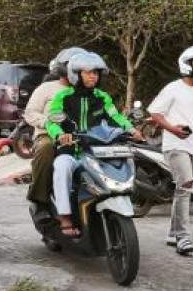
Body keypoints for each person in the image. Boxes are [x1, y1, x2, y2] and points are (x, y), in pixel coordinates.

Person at [46, 51, 142, 237]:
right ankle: (65, 216)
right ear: (76, 74)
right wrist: (60, 135)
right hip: (73, 150)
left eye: (96, 73)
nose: (93, 76)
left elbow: (116, 117)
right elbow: (51, 121)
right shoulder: (63, 97)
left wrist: (131, 130)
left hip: (99, 150)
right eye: (88, 72)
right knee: (61, 166)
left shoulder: (102, 97)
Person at [147, 44, 193, 255]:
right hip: (176, 144)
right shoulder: (173, 88)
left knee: (185, 188)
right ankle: (183, 237)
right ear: (187, 65)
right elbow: (155, 113)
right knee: (186, 185)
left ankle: (172, 233)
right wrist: (173, 129)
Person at [25, 46, 87, 217]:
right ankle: (40, 202)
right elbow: (30, 114)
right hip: (48, 135)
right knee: (46, 148)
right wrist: (48, 123)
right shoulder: (46, 89)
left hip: (81, 136)